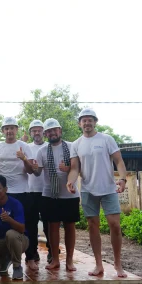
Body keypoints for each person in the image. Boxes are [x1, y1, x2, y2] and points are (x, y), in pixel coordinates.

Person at [67, 108, 128, 278]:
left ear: (95, 122)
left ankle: (117, 264)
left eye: (90, 120)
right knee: (93, 226)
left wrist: (122, 179)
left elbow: (119, 161)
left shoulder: (107, 139)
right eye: (84, 120)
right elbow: (74, 168)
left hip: (108, 189)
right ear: (80, 123)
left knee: (114, 225)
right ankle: (98, 264)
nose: (87, 123)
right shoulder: (76, 144)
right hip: (88, 190)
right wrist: (70, 181)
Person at [0, 117, 38, 270]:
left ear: (17, 130)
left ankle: (30, 257)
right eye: (6, 128)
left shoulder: (23, 146)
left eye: (12, 128)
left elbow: (31, 171)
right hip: (3, 195)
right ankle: (4, 258)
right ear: (3, 131)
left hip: (22, 192)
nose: (9, 131)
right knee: (2, 227)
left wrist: (24, 159)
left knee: (27, 226)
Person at [33, 118, 80, 271]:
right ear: (45, 134)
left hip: (70, 194)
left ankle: (69, 261)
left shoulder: (72, 147)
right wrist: (30, 165)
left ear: (60, 130)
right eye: (49, 131)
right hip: (49, 194)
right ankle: (55, 260)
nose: (52, 133)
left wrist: (68, 169)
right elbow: (37, 171)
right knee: (52, 227)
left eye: (54, 130)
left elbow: (76, 167)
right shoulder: (41, 151)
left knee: (69, 227)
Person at [26, 120, 51, 263]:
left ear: (44, 132)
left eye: (39, 130)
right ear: (30, 133)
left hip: (47, 191)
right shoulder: (27, 148)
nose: (36, 133)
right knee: (31, 224)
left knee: (49, 223)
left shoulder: (50, 146)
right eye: (34, 130)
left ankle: (52, 251)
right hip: (31, 191)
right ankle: (32, 252)